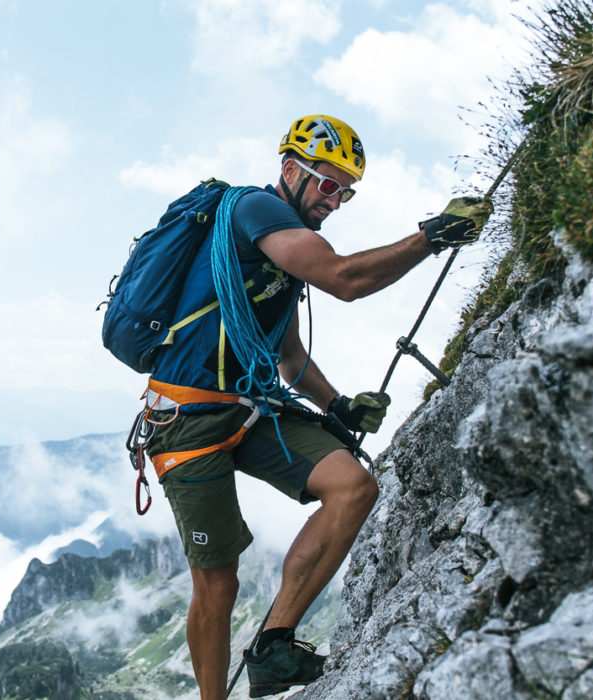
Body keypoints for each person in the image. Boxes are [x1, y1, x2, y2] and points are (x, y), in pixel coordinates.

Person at [137, 114, 490, 698]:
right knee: (218, 585)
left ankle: (274, 648)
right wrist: (430, 237)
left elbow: (287, 354)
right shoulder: (256, 211)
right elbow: (344, 279)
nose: (336, 200)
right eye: (328, 185)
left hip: (250, 406)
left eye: (345, 191)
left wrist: (340, 407)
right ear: (289, 170)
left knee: (353, 486)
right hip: (186, 416)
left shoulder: (278, 251)